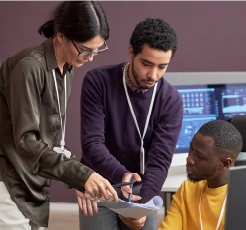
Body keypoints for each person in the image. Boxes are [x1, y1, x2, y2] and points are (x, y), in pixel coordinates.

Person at [0, 0, 118, 229]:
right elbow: (27, 143)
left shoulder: (66, 68)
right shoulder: (29, 67)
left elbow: (49, 143)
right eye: (86, 49)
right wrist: (81, 176)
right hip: (9, 185)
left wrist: (79, 180)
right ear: (61, 35)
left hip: (34, 185)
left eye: (97, 50)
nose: (90, 57)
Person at [77, 18, 183, 230]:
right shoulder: (98, 81)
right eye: (146, 64)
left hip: (142, 186)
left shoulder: (171, 100)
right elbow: (92, 143)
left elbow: (160, 160)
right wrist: (122, 176)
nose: (153, 75)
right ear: (131, 51)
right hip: (99, 182)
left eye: (162, 67)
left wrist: (145, 203)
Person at [158, 120, 242, 230]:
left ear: (225, 164)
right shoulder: (187, 189)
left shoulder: (243, 200)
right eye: (191, 149)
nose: (189, 159)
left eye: (200, 156)